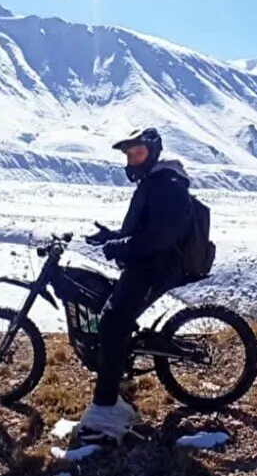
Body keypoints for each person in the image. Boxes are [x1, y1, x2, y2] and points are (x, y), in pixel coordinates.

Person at [75, 126, 194, 446]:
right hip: (146, 264)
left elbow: (160, 237)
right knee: (114, 315)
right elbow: (142, 231)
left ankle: (105, 411)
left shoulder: (167, 184)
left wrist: (122, 247)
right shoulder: (153, 182)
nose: (132, 160)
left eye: (137, 153)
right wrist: (111, 236)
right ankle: (119, 375)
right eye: (129, 155)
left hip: (157, 267)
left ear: (153, 153)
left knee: (113, 322)